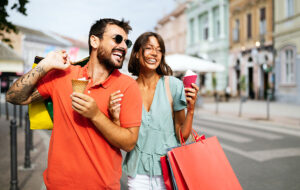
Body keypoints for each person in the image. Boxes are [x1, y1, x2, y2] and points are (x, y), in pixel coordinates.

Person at [6, 18, 143, 190]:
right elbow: (13, 97)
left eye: (126, 42)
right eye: (117, 39)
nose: (123, 46)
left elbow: (129, 143)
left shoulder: (128, 86)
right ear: (94, 41)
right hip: (57, 185)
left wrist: (95, 115)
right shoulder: (63, 75)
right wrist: (45, 65)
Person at [108, 32, 199, 189]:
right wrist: (115, 118)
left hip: (169, 171)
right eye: (149, 48)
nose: (154, 53)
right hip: (138, 174)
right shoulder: (128, 89)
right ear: (136, 54)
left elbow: (182, 136)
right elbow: (124, 140)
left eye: (159, 49)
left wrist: (190, 110)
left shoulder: (174, 85)